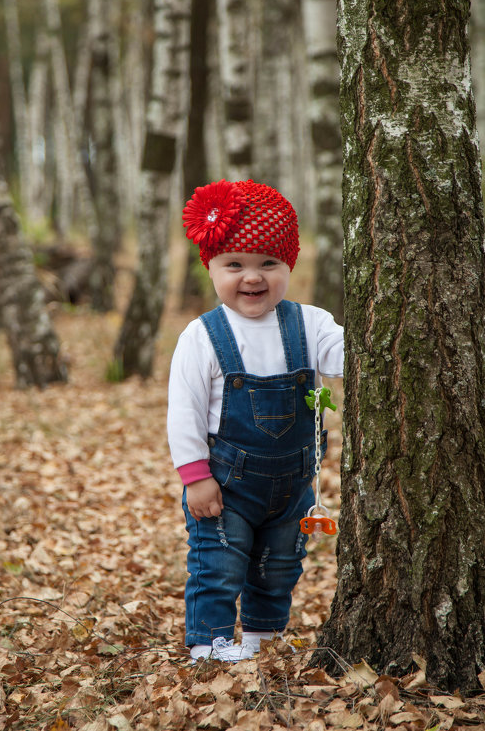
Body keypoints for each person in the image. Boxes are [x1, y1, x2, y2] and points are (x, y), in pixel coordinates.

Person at [167, 179, 344, 663]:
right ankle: (209, 643)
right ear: (211, 268)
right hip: (226, 485)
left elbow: (349, 354)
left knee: (280, 566)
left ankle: (261, 639)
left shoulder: (310, 323)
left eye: (269, 263)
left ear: (289, 265)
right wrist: (195, 478)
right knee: (218, 564)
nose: (252, 277)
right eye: (235, 265)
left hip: (292, 485)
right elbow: (183, 410)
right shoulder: (202, 336)